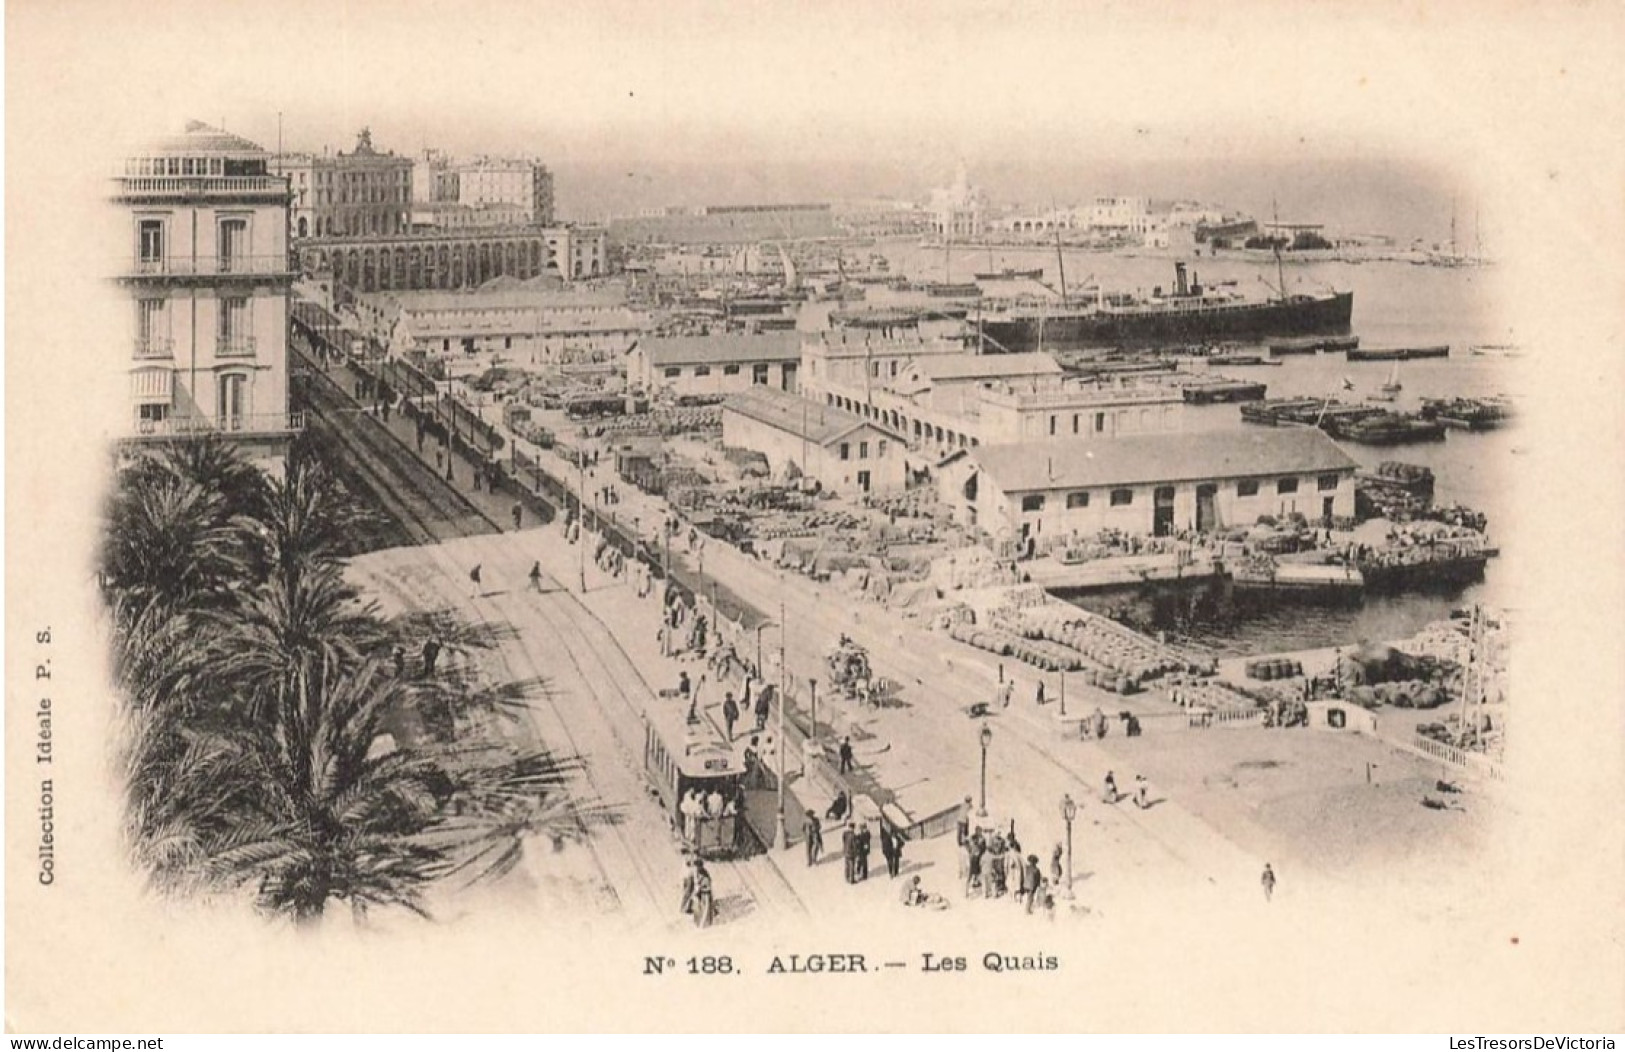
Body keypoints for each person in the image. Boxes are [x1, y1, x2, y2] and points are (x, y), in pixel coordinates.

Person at [691, 862, 714, 927]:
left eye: (697, 867)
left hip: (705, 895)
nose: (695, 868)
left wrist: (700, 888)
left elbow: (708, 887)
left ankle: (703, 925)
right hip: (699, 895)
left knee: (705, 910)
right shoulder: (696, 873)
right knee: (696, 909)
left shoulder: (705, 875)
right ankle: (698, 924)